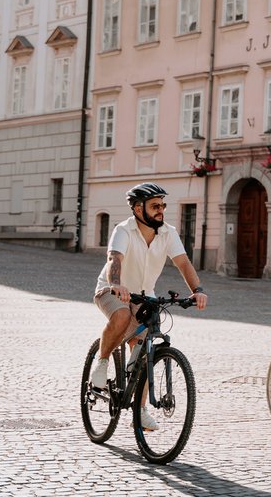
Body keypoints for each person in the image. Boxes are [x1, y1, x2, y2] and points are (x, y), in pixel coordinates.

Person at [88, 182, 208, 430]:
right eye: (155, 205)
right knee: (121, 317)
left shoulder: (168, 232)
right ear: (137, 208)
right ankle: (101, 363)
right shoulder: (123, 230)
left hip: (145, 296)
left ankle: (139, 411)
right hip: (111, 290)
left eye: (162, 205)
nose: (160, 210)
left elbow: (183, 263)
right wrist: (117, 284)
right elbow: (114, 259)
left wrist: (197, 290)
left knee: (144, 353)